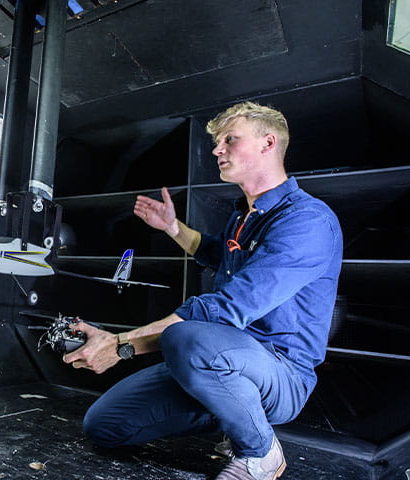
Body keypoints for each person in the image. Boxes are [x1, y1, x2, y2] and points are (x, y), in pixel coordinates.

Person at [63, 102, 343, 480]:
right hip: (219, 361)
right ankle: (233, 412)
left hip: (279, 371)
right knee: (105, 425)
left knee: (187, 337)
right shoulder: (243, 217)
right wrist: (172, 227)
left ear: (268, 143)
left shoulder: (307, 221)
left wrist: (121, 344)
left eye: (230, 139)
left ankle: (260, 452)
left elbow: (228, 307)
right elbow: (214, 251)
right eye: (216, 142)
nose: (216, 150)